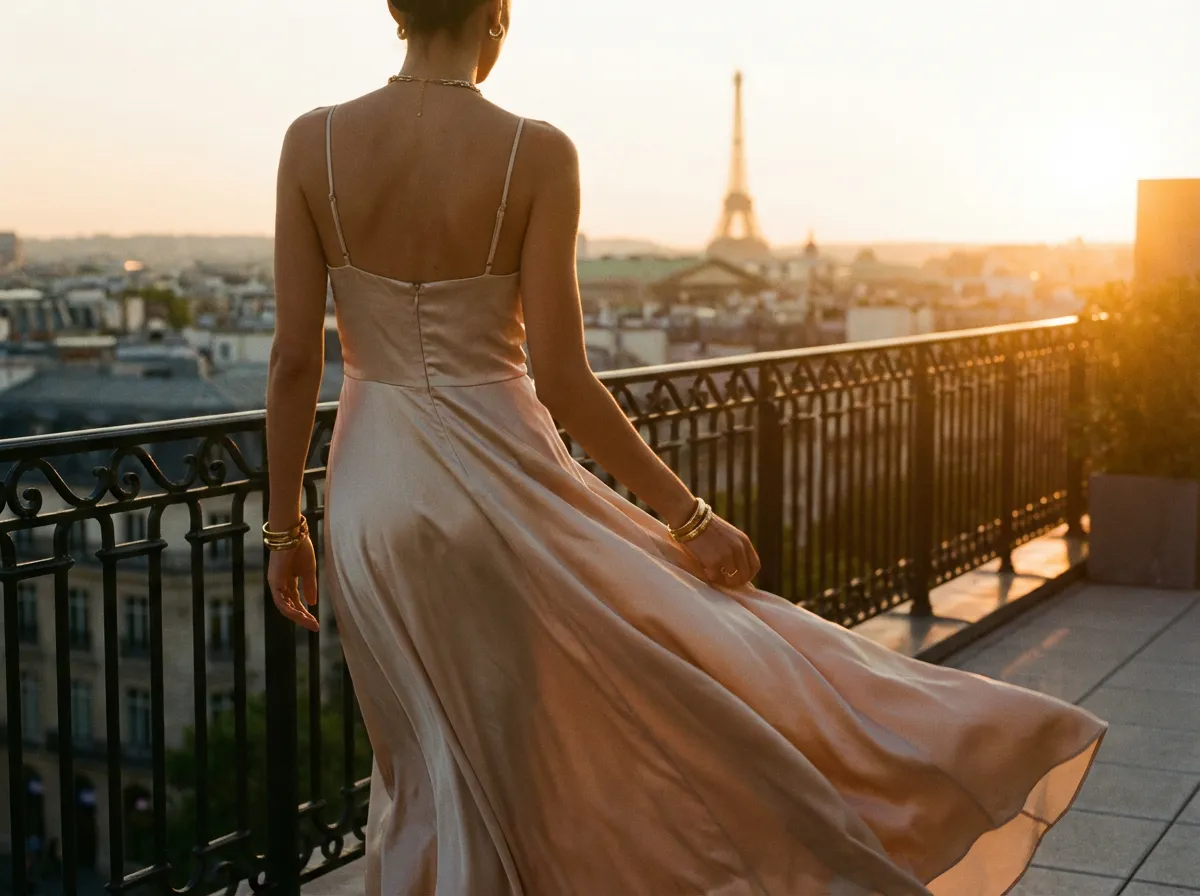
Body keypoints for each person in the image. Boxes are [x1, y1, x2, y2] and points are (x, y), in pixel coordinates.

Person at [264, 1, 1107, 892]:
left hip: (372, 491)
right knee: (546, 738)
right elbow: (562, 377)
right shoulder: (537, 152)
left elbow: (291, 362)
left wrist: (286, 530)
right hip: (501, 483)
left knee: (419, 763)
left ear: (396, 10)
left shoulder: (311, 142)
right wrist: (689, 515)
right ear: (496, 14)